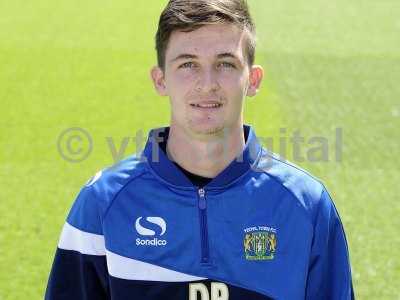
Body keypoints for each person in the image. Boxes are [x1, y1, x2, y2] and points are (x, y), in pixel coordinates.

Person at [45, 0, 354, 299]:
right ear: (161, 80)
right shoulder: (103, 202)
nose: (207, 84)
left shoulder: (307, 204)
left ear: (253, 80)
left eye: (225, 64)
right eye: (188, 64)